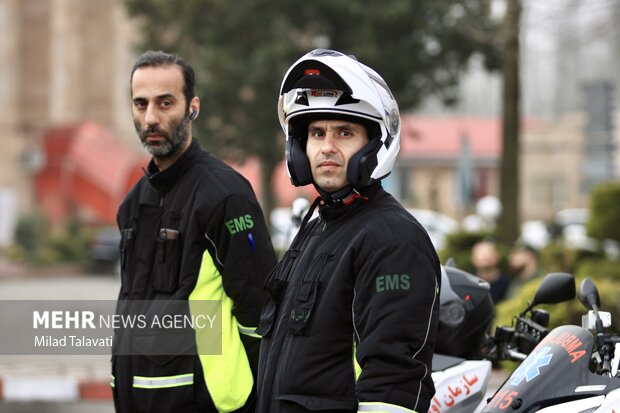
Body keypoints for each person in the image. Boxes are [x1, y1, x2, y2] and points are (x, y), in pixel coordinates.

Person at [256, 49, 441, 413]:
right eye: (316, 132)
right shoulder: (319, 226)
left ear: (373, 145)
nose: (327, 147)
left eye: (344, 132)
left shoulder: (393, 241)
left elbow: (392, 387)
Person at [112, 51, 277, 413]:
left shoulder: (225, 196)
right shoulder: (132, 205)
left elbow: (260, 312)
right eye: (140, 104)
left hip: (210, 404)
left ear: (193, 107)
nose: (151, 118)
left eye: (165, 103)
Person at [471, 239, 511, 304]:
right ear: (473, 259)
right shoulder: (469, 285)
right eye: (481, 253)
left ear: (497, 257)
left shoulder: (508, 285)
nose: (485, 256)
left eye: (489, 252)